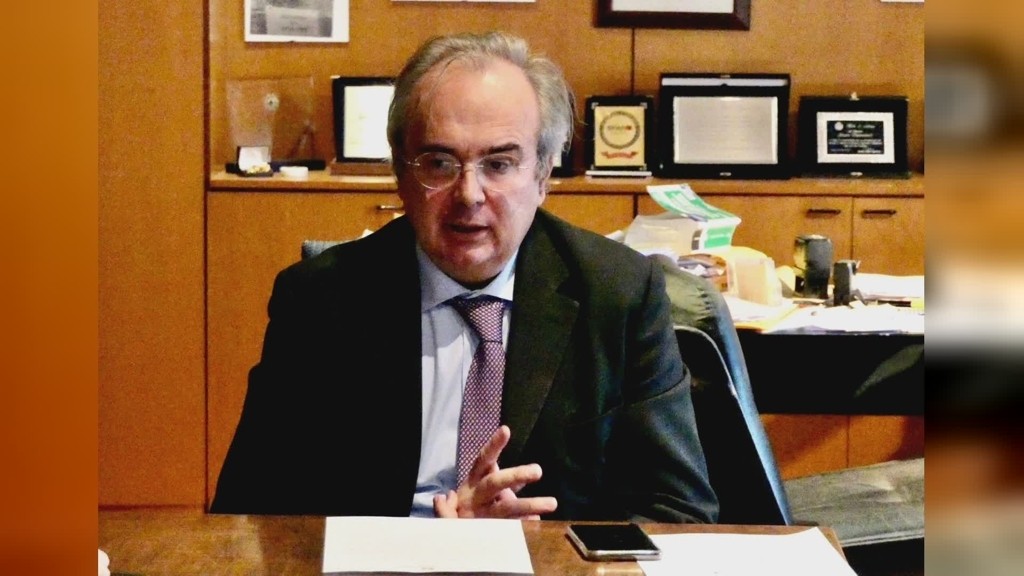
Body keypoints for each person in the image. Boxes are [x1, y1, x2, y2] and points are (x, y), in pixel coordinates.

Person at [211, 31, 718, 523]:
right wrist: (431, 543)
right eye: (439, 162)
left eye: (499, 164)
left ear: (543, 175)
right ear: (400, 172)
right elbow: (252, 512)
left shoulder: (619, 294)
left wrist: (531, 548)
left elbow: (677, 512)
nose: (469, 194)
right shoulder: (320, 300)